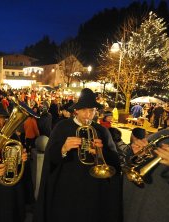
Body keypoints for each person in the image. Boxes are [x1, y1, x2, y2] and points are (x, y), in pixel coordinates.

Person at [35, 88, 122, 222]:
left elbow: (115, 162)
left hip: (93, 189)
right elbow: (50, 158)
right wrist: (63, 149)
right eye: (84, 110)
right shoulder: (62, 127)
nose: (88, 114)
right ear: (76, 110)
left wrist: (101, 152)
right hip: (66, 188)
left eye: (92, 110)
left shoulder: (102, 131)